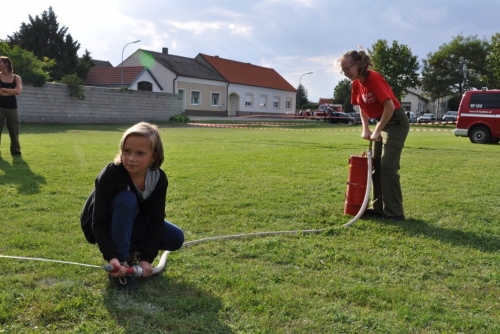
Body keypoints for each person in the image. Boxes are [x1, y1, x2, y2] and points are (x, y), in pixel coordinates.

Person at [81, 122, 184, 290]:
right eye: (126, 151)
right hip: (101, 225)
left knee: (175, 237)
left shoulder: (158, 179)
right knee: (126, 199)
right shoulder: (111, 175)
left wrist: (146, 259)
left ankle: (133, 253)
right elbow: (98, 222)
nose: (131, 158)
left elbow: (156, 220)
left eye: (140, 153)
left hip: (132, 220)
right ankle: (122, 263)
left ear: (154, 156)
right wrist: (112, 257)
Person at [336, 49, 409, 221]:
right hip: (381, 123)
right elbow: (362, 107)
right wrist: (366, 129)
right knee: (375, 166)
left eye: (347, 68)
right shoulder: (355, 84)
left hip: (396, 122)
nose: (345, 73)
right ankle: (378, 209)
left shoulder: (374, 78)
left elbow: (389, 107)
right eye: (343, 70)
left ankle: (395, 212)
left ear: (359, 64)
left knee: (388, 167)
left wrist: (377, 130)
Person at [0, 56, 23, 156]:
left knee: (14, 131)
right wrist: (12, 91)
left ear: (6, 64)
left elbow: (18, 91)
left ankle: (15, 151)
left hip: (13, 108)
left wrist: (4, 90)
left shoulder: (17, 78)